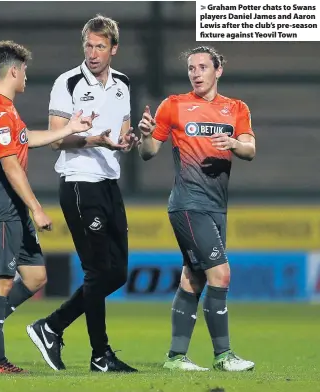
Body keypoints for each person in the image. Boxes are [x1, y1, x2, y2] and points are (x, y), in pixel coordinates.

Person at [0, 40, 97, 374]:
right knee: (1, 281)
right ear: (14, 71)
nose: (26, 78)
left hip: (10, 205)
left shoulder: (4, 108)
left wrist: (69, 129)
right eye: (24, 72)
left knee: (35, 277)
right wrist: (36, 207)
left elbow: (26, 140)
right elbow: (10, 165)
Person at [26, 15, 139, 373]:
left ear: (113, 49)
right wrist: (92, 139)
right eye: (88, 45)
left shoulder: (122, 84)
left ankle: (51, 326)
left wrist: (128, 140)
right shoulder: (68, 82)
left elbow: (120, 133)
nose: (93, 53)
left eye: (100, 46)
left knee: (117, 273)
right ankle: (100, 356)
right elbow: (56, 137)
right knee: (96, 271)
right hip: (79, 182)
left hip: (108, 181)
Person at [138, 46, 256, 372]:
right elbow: (149, 152)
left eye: (203, 67)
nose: (196, 73)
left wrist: (233, 144)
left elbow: (250, 149)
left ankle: (176, 357)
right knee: (220, 273)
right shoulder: (173, 106)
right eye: (192, 68)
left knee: (193, 278)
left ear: (218, 70)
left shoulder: (236, 109)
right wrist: (145, 136)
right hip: (188, 204)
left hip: (217, 208)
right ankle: (224, 356)